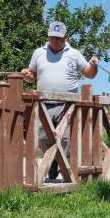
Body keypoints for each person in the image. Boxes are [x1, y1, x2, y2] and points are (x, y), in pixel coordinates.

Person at [21, 21, 99, 179]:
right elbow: (32, 76)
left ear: (66, 37)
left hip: (67, 105)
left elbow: (89, 74)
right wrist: (27, 76)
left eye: (59, 38)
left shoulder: (74, 54)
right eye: (53, 38)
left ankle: (68, 176)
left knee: (65, 140)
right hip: (44, 104)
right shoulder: (39, 53)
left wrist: (93, 65)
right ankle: (54, 162)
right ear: (48, 37)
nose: (55, 41)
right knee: (42, 137)